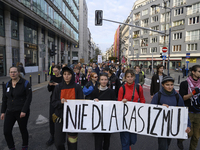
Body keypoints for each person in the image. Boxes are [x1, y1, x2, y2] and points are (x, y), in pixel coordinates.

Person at [151, 76, 191, 150]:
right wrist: (160, 107)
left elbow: (183, 111)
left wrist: (188, 125)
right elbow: (151, 109)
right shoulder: (157, 95)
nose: (170, 87)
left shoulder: (177, 96)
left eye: (172, 84)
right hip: (161, 125)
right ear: (162, 85)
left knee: (167, 143)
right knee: (163, 146)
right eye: (167, 85)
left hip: (172, 125)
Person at [52, 66, 84, 150]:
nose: (66, 76)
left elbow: (81, 102)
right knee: (58, 142)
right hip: (60, 118)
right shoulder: (58, 87)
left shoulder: (77, 87)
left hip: (72, 119)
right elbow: (53, 102)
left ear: (72, 76)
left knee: (72, 143)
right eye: (65, 74)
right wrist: (60, 102)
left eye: (69, 74)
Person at [1, 66, 32, 150]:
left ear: (18, 73)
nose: (13, 74)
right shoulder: (7, 84)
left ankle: (25, 145)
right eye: (11, 72)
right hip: (10, 111)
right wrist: (3, 112)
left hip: (21, 111)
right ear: (9, 73)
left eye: (14, 72)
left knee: (23, 129)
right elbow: (4, 99)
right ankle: (11, 147)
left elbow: (28, 99)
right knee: (6, 131)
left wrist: (24, 111)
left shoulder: (25, 83)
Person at [118, 69, 145, 150]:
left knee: (133, 139)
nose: (129, 78)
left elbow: (142, 99)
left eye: (131, 76)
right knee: (125, 140)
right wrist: (122, 102)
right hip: (124, 117)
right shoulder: (122, 88)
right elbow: (118, 102)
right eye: (128, 77)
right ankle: (126, 146)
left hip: (135, 116)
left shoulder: (138, 87)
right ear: (125, 78)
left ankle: (128, 144)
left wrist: (142, 109)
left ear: (134, 77)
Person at [90, 73, 116, 150]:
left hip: (108, 120)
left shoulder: (111, 92)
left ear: (108, 80)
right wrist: (93, 101)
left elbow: (114, 104)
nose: (104, 81)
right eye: (102, 79)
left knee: (107, 140)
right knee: (98, 141)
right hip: (97, 121)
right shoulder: (95, 92)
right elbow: (90, 105)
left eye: (105, 79)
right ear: (99, 80)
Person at [178, 65, 200, 150]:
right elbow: (182, 97)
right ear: (193, 72)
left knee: (196, 136)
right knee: (189, 134)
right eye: (199, 71)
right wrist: (193, 93)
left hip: (198, 112)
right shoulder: (185, 83)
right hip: (188, 111)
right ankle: (180, 139)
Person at [46, 65, 63, 146]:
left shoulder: (63, 78)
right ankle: (52, 136)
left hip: (62, 100)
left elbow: (64, 88)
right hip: (53, 100)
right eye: (54, 71)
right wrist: (50, 85)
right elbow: (49, 90)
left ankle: (61, 135)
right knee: (52, 118)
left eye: (56, 71)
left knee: (62, 117)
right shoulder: (52, 77)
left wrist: (57, 85)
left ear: (60, 70)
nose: (55, 72)